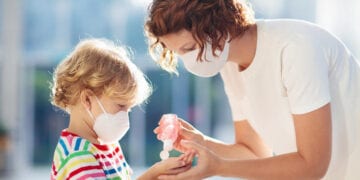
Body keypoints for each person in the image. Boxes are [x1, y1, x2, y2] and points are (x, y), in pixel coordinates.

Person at [144, 0, 360, 179]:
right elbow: (254, 153)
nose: (188, 62)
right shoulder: (228, 63)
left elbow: (312, 165)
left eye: (189, 48)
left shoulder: (295, 48)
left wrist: (219, 167)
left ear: (217, 25)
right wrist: (203, 144)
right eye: (178, 53)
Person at [49, 39, 194, 179]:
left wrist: (162, 174)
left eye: (128, 109)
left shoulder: (108, 145)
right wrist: (153, 174)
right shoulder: (76, 155)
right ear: (87, 99)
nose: (124, 117)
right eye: (120, 106)